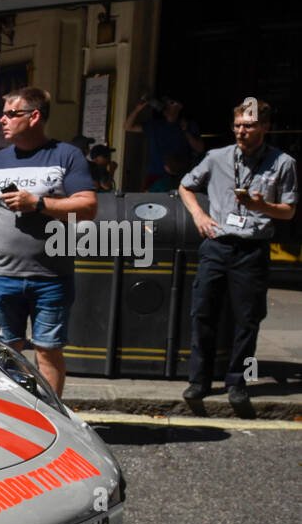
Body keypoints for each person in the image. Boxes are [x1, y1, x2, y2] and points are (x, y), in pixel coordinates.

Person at [0, 87, 97, 396]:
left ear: (34, 116)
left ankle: (54, 419)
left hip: (52, 277)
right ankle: (17, 416)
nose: (3, 120)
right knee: (6, 352)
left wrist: (39, 203)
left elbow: (87, 207)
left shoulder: (65, 155)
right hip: (3, 277)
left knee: (48, 351)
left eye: (11, 114)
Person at [178, 98, 296, 409]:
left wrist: (263, 207)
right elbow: (185, 186)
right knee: (203, 314)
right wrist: (199, 216)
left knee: (248, 320)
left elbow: (288, 212)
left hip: (252, 250)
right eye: (238, 125)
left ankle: (239, 381)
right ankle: (198, 380)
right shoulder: (216, 158)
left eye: (249, 125)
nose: (241, 131)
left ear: (265, 127)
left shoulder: (283, 163)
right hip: (217, 245)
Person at [126, 94, 204, 189]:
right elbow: (128, 127)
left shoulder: (188, 125)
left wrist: (185, 131)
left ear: (179, 106)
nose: (166, 106)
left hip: (179, 177)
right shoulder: (155, 124)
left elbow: (200, 149)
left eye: (171, 103)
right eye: (166, 103)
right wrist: (137, 109)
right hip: (155, 175)